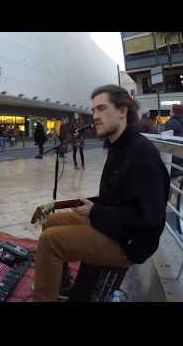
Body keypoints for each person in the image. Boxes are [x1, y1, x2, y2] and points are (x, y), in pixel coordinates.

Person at [32, 85, 170, 302]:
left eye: (102, 109)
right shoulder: (118, 146)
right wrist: (94, 207)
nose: (95, 116)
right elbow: (119, 197)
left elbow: (149, 220)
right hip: (113, 225)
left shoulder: (142, 155)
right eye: (93, 110)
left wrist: (96, 212)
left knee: (51, 241)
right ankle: (59, 285)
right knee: (51, 222)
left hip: (130, 243)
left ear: (123, 111)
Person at [164, 104, 183, 178]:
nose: (169, 112)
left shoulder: (171, 123)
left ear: (174, 112)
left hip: (174, 158)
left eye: (171, 110)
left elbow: (166, 141)